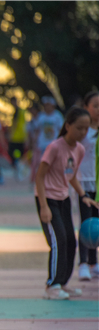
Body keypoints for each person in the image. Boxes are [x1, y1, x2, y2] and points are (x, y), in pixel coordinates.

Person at [35, 107, 97, 299]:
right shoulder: (54, 147)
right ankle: (51, 286)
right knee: (58, 240)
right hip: (48, 199)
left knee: (70, 241)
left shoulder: (79, 149)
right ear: (68, 126)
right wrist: (44, 207)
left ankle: (62, 283)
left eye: (86, 129)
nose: (83, 133)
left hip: (64, 199)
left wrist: (83, 195)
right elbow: (39, 177)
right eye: (79, 128)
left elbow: (70, 176)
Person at [77, 91, 99, 282]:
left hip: (98, 184)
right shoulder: (83, 131)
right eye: (95, 106)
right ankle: (83, 263)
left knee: (97, 224)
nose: (98, 110)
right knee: (86, 222)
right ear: (86, 108)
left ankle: (94, 262)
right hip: (84, 181)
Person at [30, 96, 65, 182]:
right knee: (42, 163)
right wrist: (34, 142)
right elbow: (37, 130)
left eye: (49, 105)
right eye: (45, 105)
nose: (47, 107)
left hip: (54, 144)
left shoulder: (57, 116)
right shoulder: (41, 116)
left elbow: (61, 130)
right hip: (42, 145)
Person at [7, 96, 29, 181]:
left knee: (14, 154)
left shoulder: (17, 112)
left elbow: (15, 124)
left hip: (16, 137)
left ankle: (18, 168)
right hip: (21, 136)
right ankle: (18, 167)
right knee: (19, 154)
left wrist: (10, 134)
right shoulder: (22, 111)